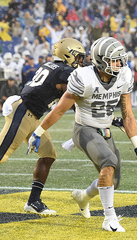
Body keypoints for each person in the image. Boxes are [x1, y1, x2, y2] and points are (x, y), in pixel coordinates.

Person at [27, 37, 137, 232]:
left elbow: (128, 115)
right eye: (114, 60)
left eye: (120, 59)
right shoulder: (83, 77)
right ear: (101, 60)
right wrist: (38, 131)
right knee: (108, 162)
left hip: (105, 130)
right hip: (84, 129)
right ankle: (109, 218)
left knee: (114, 182)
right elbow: (59, 109)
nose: (119, 64)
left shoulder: (124, 75)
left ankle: (83, 196)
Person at [0, 38, 86, 216]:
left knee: (48, 156)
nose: (79, 61)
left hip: (34, 116)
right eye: (77, 56)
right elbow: (70, 91)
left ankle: (33, 202)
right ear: (67, 54)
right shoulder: (65, 70)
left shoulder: (52, 66)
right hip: (23, 113)